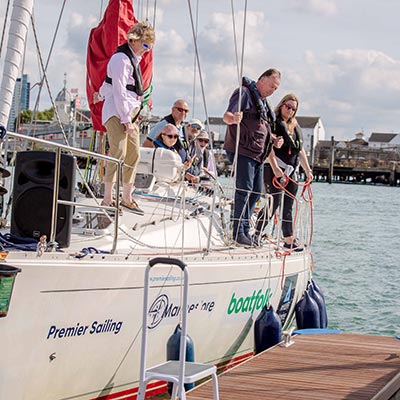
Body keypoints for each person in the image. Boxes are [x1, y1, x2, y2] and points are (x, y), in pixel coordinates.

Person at [97, 21, 155, 215]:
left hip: (129, 112)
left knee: (134, 154)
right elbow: (119, 91)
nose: (147, 50)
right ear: (135, 40)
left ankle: (127, 198)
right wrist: (125, 119)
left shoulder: (132, 60)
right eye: (146, 45)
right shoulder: (121, 59)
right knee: (118, 151)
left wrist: (131, 117)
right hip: (117, 112)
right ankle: (107, 198)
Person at [223, 68, 284, 246]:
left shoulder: (263, 104)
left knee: (256, 191)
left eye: (276, 89)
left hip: (257, 155)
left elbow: (260, 127)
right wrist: (234, 119)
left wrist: (273, 139)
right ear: (262, 80)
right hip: (242, 150)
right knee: (245, 189)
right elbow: (227, 116)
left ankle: (244, 229)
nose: (272, 90)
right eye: (271, 86)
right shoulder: (244, 93)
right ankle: (237, 232)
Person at [255, 93, 313, 251]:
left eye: (294, 109)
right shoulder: (273, 123)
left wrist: (307, 170)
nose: (290, 111)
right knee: (273, 203)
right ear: (281, 105)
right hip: (275, 168)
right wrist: (275, 169)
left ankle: (288, 239)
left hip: (291, 171)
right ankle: (256, 234)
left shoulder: (295, 127)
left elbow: (300, 151)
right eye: (288, 107)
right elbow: (268, 148)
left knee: (288, 207)